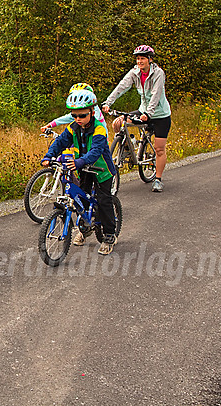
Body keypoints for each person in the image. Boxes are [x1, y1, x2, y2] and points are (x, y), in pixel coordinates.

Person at [42, 87, 119, 255]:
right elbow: (61, 141)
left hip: (101, 170)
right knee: (80, 199)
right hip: (83, 168)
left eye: (82, 115)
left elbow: (96, 151)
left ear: (92, 112)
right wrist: (49, 156)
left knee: (104, 201)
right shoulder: (73, 127)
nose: (78, 119)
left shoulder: (99, 129)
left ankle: (109, 235)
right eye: (74, 115)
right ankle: (84, 228)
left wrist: (79, 161)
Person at [100, 44, 171, 193]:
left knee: (159, 149)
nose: (140, 61)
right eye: (138, 59)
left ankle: (157, 179)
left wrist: (149, 114)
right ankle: (127, 147)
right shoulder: (135, 72)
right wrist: (108, 102)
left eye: (143, 58)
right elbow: (121, 87)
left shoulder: (158, 73)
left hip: (159, 115)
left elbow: (157, 95)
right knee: (118, 122)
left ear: (150, 59)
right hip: (143, 110)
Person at [40, 82, 107, 136]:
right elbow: (67, 118)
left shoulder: (94, 111)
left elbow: (93, 124)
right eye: (74, 115)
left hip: (98, 137)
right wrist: (50, 125)